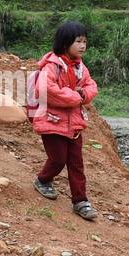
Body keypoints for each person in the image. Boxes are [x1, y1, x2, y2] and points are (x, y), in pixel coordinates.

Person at [31, 20, 100, 221]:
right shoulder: (52, 66)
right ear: (65, 43)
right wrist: (76, 97)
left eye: (85, 41)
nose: (83, 46)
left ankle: (80, 201)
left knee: (76, 164)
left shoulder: (81, 68)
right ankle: (42, 180)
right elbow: (44, 90)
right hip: (52, 122)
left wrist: (84, 95)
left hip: (74, 124)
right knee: (58, 159)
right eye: (78, 41)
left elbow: (91, 85)